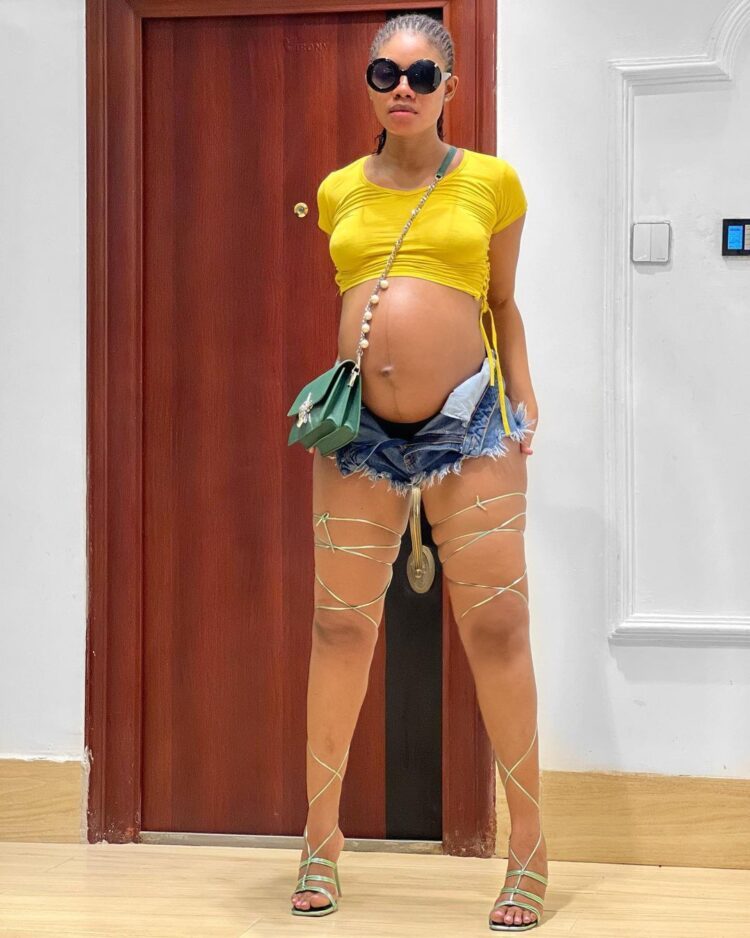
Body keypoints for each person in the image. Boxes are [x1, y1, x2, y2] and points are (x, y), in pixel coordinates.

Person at [289, 12, 547, 932]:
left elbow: (503, 301)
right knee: (337, 629)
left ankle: (528, 851)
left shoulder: (492, 182)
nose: (403, 87)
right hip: (356, 428)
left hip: (469, 422)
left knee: (499, 628)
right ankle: (321, 843)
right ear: (368, 84)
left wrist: (524, 400)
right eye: (385, 73)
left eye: (423, 75)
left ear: (449, 87)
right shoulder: (337, 191)